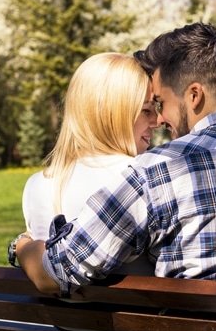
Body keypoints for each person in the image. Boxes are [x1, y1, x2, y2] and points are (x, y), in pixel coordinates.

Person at [11, 23, 216, 296]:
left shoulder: (160, 172)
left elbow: (59, 270)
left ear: (194, 95)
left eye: (159, 102)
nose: (159, 120)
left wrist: (23, 247)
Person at [11, 52, 158, 275]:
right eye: (146, 110)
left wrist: (20, 244)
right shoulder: (142, 176)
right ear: (112, 113)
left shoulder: (37, 184)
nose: (156, 121)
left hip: (55, 311)